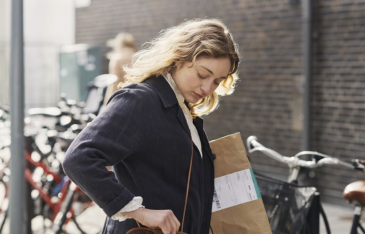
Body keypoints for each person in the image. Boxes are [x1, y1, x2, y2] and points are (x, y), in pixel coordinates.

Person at [62, 18, 240, 234]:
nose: (207, 88)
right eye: (203, 74)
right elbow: (79, 158)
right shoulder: (141, 100)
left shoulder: (181, 107)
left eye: (217, 81)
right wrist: (140, 212)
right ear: (178, 59)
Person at [103, 32, 136, 105]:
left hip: (120, 98)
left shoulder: (116, 59)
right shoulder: (136, 57)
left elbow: (113, 84)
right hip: (135, 95)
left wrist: (107, 103)